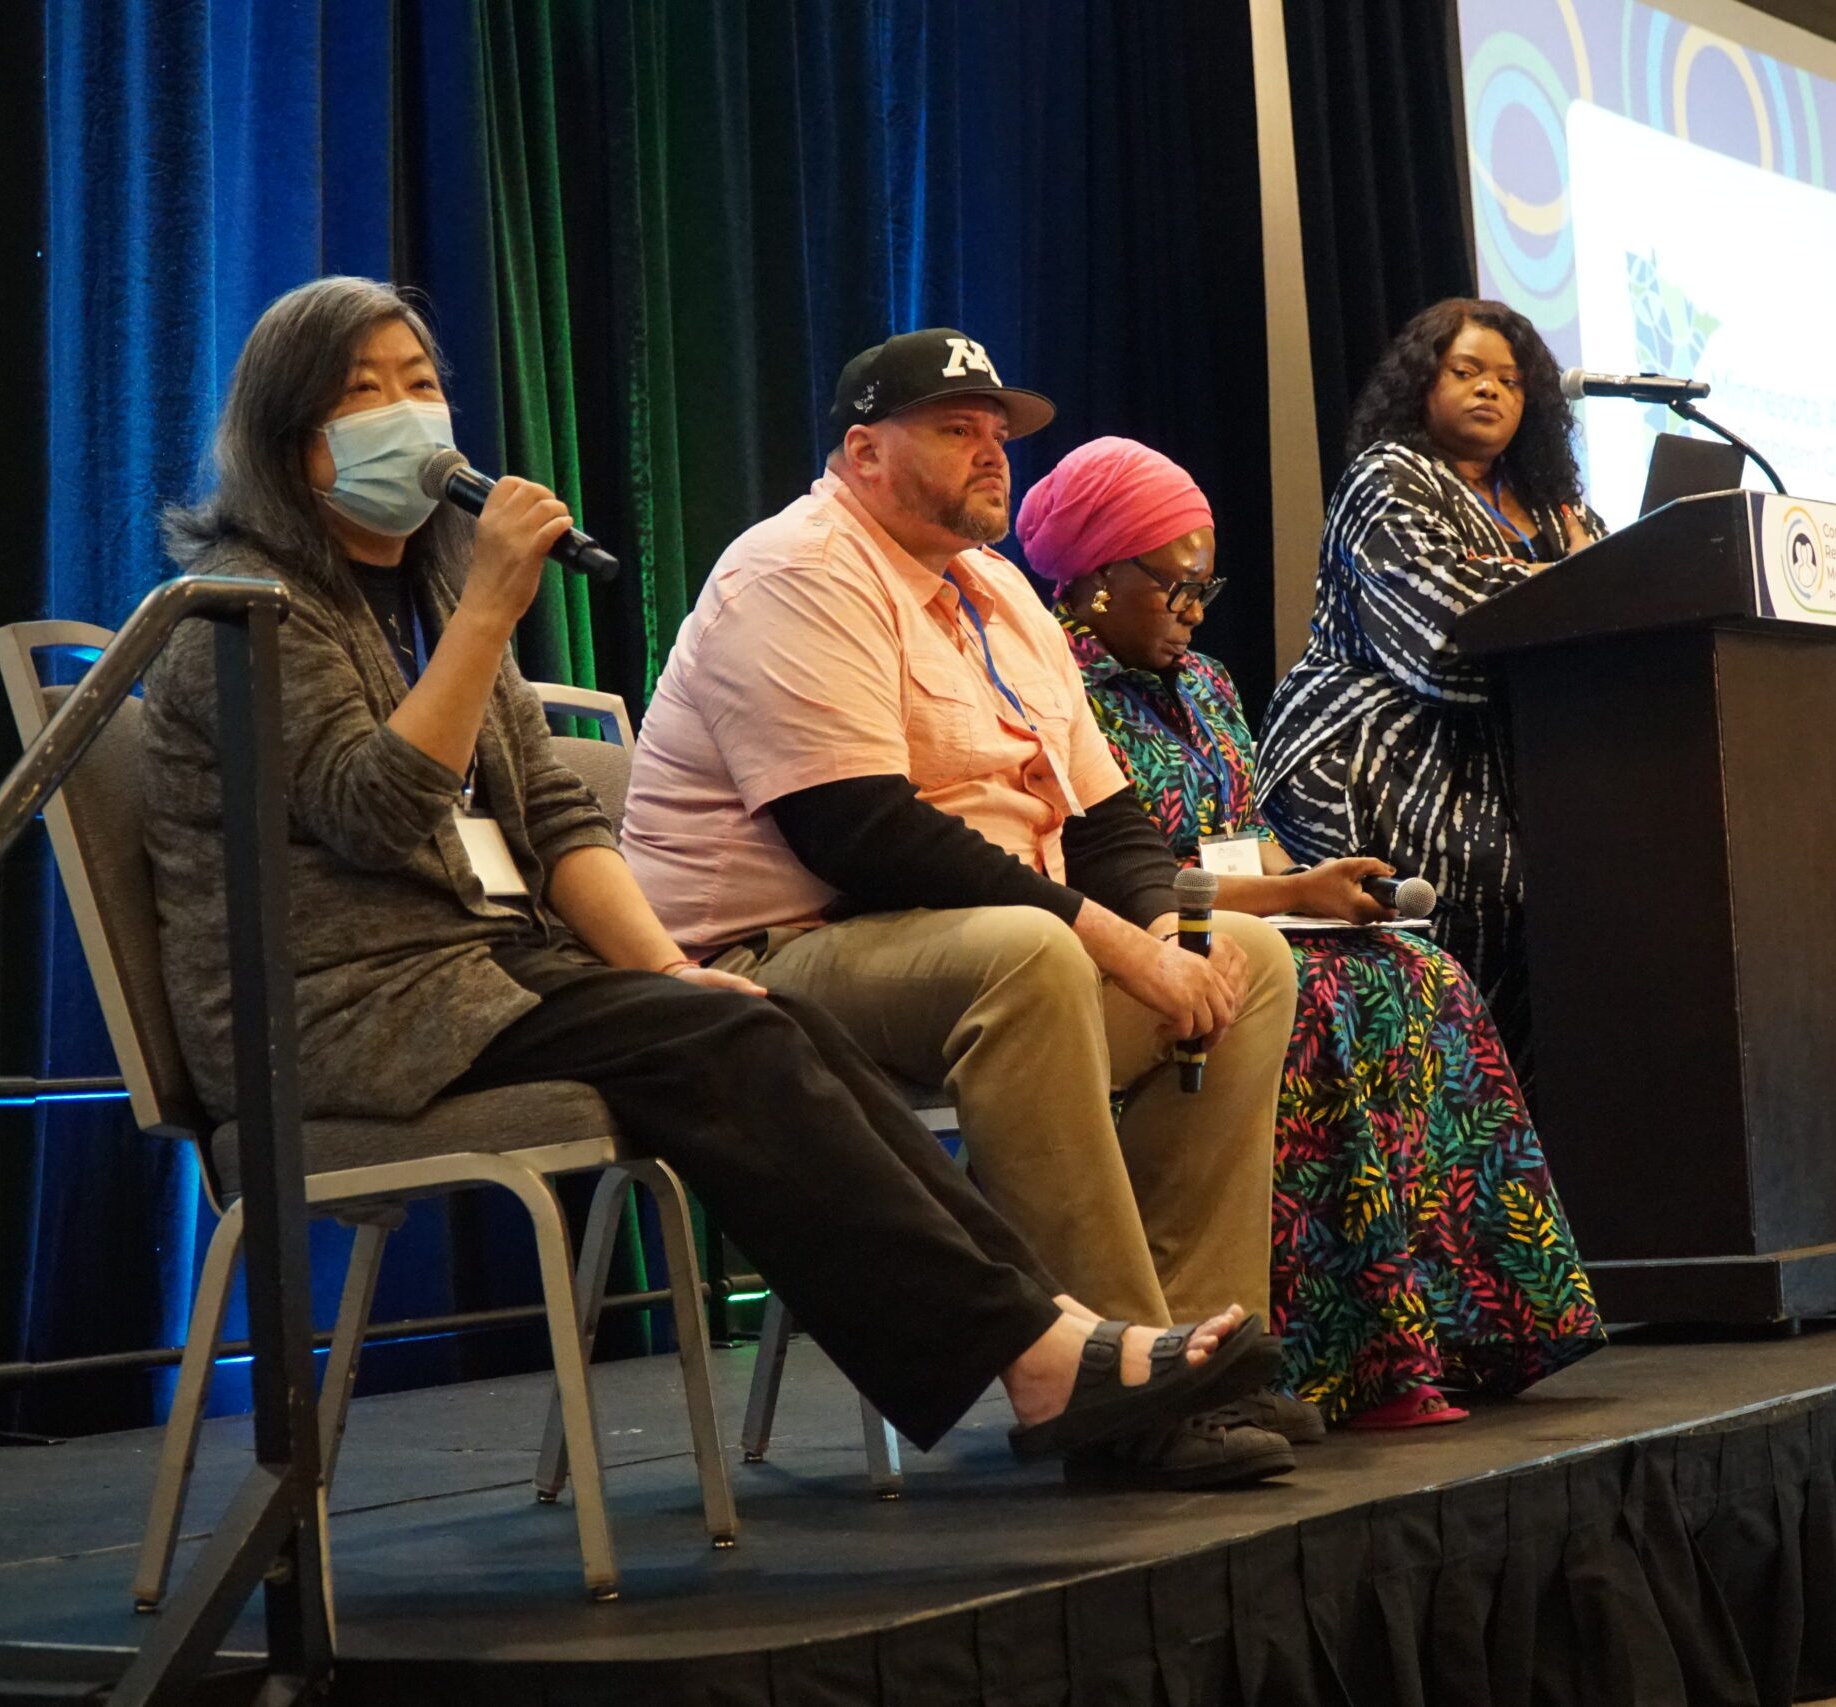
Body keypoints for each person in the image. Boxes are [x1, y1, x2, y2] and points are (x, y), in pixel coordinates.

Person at [141, 277, 1288, 1490]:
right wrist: (488, 613)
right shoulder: (242, 612)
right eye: (361, 393)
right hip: (341, 1009)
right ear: (287, 440)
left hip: (482, 973)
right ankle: (1045, 1359)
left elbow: (559, 818)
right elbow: (375, 819)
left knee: (750, 1019)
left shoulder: (425, 594)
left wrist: (670, 971)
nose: (405, 414)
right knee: (742, 1038)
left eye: (419, 385)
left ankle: (1076, 1350)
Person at [620, 328, 1313, 1473]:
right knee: (1026, 956)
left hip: (952, 946)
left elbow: (1102, 823)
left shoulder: (999, 594)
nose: (993, 455)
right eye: (956, 430)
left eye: (998, 435)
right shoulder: (795, 571)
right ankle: (1112, 1385)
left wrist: (1158, 933)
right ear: (862, 452)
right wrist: (1104, 940)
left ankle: (1205, 1359)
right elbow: (863, 838)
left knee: (1242, 951)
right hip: (764, 964)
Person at [1014, 437, 1606, 1427]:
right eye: (1175, 587)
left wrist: (1317, 882)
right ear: (1098, 579)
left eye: (1209, 588)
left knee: (1422, 973)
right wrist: (1290, 901)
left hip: (1240, 921)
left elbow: (1241, 842)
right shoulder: (1051, 688)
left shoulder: (1205, 685)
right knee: (1323, 998)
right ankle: (1339, 1359)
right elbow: (1111, 878)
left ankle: (1465, 1329)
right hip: (1127, 950)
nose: (1196, 612)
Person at [1257, 299, 1606, 1086]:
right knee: (1483, 895)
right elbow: (1442, 628)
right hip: (1376, 758)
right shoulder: (1387, 478)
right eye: (1467, 371)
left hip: (1515, 771)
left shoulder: (1556, 506)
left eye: (1511, 380)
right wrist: (1573, 581)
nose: (1491, 390)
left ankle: (1507, 1166)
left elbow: (1615, 605)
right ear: (1422, 382)